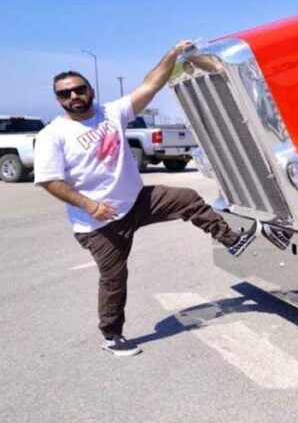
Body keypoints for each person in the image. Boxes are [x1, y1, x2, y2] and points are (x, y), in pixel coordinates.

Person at [34, 40, 257, 357]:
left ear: (90, 90)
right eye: (64, 93)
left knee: (186, 198)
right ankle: (111, 335)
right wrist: (91, 205)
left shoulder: (111, 113)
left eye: (79, 89)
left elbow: (152, 84)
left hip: (137, 201)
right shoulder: (52, 135)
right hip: (99, 221)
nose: (74, 96)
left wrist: (171, 55)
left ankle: (231, 240)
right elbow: (49, 180)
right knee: (114, 278)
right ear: (58, 99)